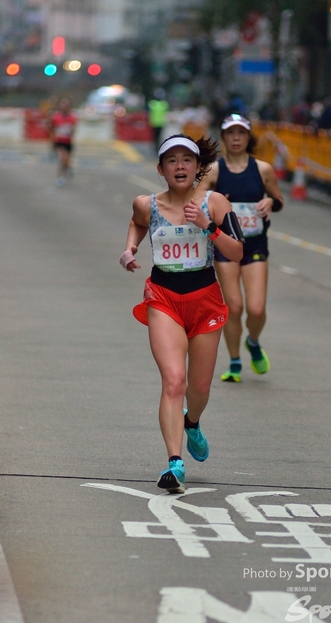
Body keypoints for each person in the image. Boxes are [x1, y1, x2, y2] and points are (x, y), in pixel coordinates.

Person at [119, 134, 244, 493]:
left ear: (197, 167)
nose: (179, 166)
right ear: (161, 169)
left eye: (186, 160)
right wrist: (130, 249)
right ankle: (175, 463)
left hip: (205, 300)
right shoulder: (147, 204)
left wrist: (208, 226)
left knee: (199, 388)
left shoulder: (214, 202)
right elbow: (137, 222)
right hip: (164, 298)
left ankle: (192, 422)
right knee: (174, 380)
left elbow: (237, 252)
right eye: (171, 161)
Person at [199, 113, 284, 383]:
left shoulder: (262, 169)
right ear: (223, 137)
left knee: (256, 309)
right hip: (225, 245)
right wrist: (215, 203)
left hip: (255, 244)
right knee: (234, 307)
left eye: (241, 133)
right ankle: (234, 362)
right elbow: (197, 201)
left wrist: (270, 202)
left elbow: (278, 199)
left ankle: (253, 342)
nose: (236, 138)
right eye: (230, 133)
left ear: (249, 137)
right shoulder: (214, 171)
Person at [49, 97, 77, 187]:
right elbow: (52, 129)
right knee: (62, 158)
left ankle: (67, 170)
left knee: (66, 159)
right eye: (63, 105)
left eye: (66, 105)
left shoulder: (72, 117)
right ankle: (60, 176)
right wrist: (53, 142)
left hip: (67, 141)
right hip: (59, 141)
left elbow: (73, 129)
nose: (64, 107)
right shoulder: (55, 117)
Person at [147, 89, 170, 155]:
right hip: (161, 123)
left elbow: (148, 112)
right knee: (159, 136)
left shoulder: (152, 104)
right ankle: (158, 147)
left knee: (154, 136)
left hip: (153, 122)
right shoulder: (164, 104)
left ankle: (155, 147)